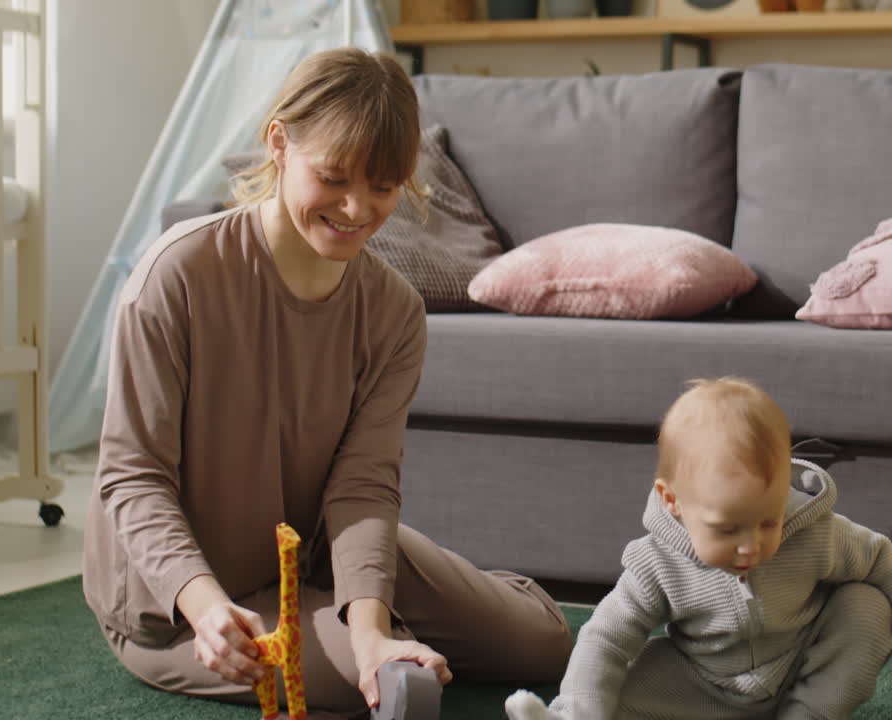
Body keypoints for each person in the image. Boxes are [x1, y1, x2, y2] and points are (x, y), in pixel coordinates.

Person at [82, 47, 572, 717]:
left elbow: (363, 482)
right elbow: (133, 477)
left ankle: (370, 615)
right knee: (361, 684)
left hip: (314, 548)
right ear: (279, 144)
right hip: (183, 602)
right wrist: (204, 605)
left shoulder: (395, 312)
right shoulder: (178, 277)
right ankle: (369, 627)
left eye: (383, 186)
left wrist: (370, 632)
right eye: (333, 177)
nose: (356, 208)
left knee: (544, 643)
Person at [505, 377, 892, 720]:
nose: (752, 546)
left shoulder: (815, 534)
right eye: (727, 529)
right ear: (673, 501)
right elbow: (605, 638)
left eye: (768, 521)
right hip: (699, 685)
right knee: (621, 686)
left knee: (868, 605)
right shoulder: (657, 562)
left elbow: (880, 557)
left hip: (800, 669)